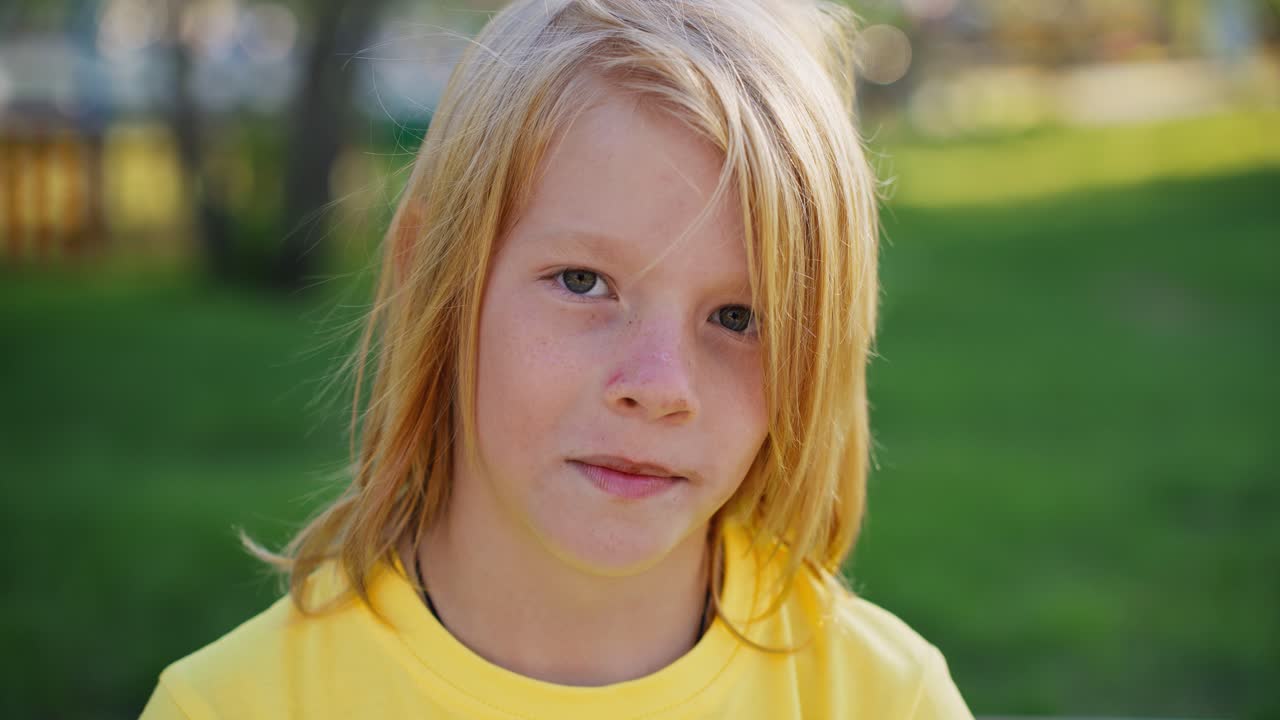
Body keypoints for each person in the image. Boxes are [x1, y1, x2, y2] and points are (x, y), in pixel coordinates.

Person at [141, 0, 974, 717]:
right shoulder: (230, 708)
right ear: (432, 276)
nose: (659, 387)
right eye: (584, 282)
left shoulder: (884, 701)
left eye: (738, 315)